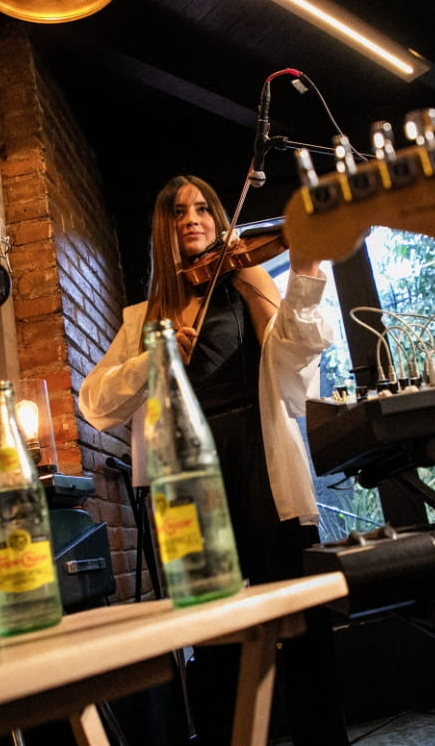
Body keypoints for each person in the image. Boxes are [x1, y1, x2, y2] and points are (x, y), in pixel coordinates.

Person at [78, 174, 349, 745]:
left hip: (259, 458)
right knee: (217, 634)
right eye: (179, 212)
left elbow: (300, 355)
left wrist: (302, 273)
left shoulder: (247, 285)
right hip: (189, 480)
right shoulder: (142, 321)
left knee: (299, 622)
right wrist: (150, 361)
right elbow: (96, 403)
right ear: (164, 230)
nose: (194, 219)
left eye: (204, 209)